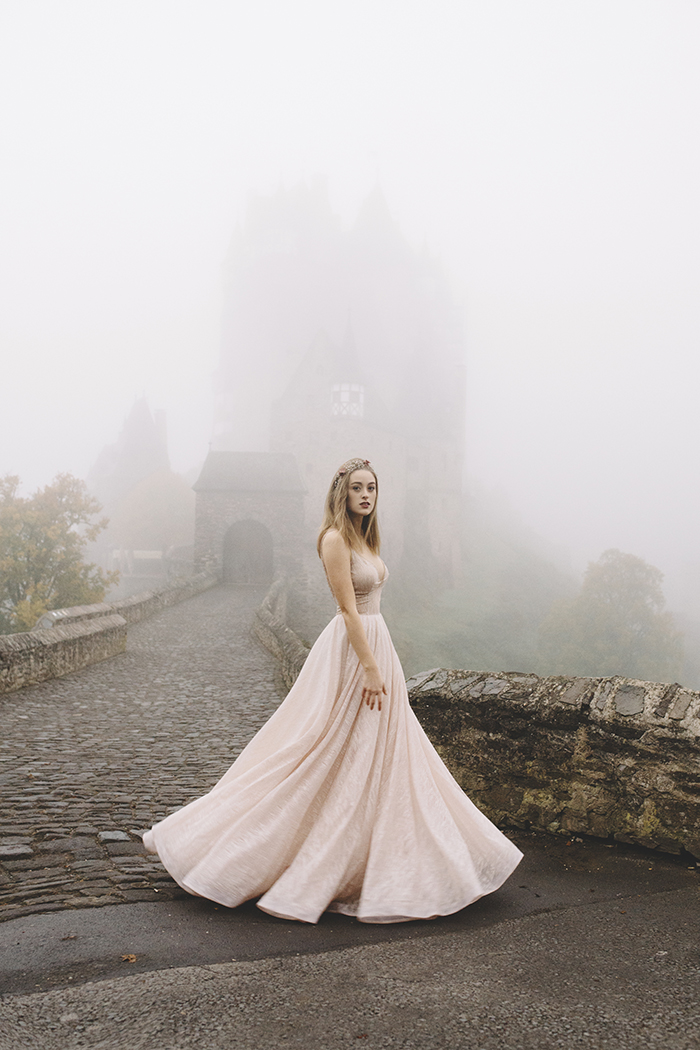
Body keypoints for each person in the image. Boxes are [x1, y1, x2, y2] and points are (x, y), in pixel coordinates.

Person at [143, 457, 522, 923]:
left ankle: (373, 854)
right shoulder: (335, 539)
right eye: (358, 488)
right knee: (325, 747)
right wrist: (368, 667)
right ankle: (241, 848)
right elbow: (347, 610)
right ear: (341, 493)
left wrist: (381, 660)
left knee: (379, 752)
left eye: (373, 488)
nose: (366, 495)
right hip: (353, 651)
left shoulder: (365, 537)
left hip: (378, 645)